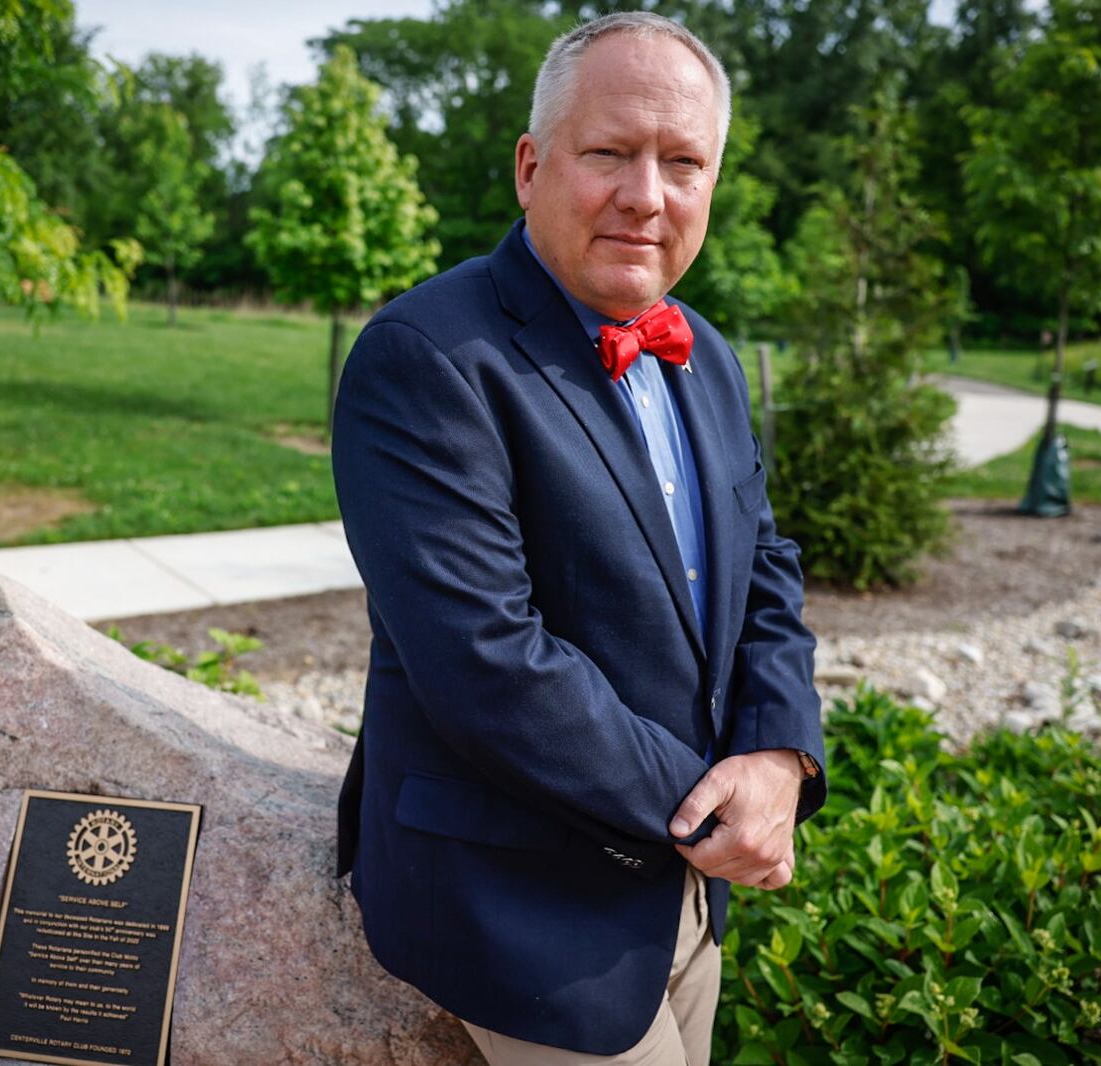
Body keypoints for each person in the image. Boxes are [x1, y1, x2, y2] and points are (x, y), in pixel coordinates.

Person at [330, 11, 826, 1064]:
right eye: (609, 152)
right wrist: (714, 805)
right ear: (529, 165)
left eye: (682, 161)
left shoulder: (712, 360)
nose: (646, 195)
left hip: (685, 903)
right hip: (515, 902)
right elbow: (486, 664)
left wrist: (780, 754)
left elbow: (765, 573)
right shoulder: (426, 358)